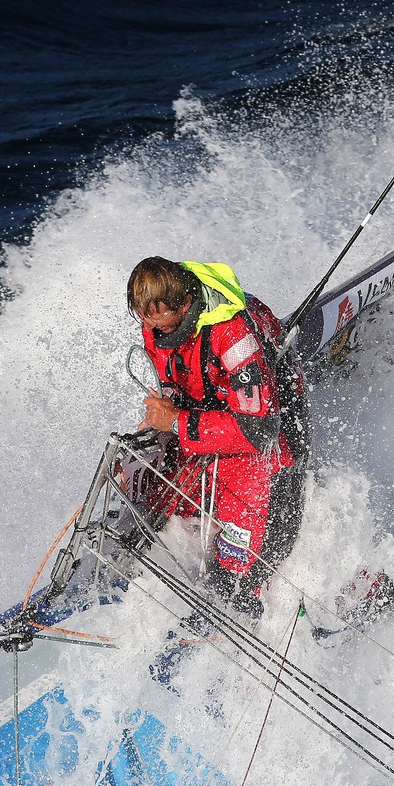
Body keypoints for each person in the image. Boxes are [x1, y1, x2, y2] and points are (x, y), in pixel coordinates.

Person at [127, 257, 308, 617]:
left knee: (237, 573)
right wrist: (166, 410)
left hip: (268, 439)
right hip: (207, 425)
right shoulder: (155, 321)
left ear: (184, 304)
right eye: (145, 319)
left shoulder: (233, 335)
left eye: (161, 320)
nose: (152, 328)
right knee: (151, 503)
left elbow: (258, 429)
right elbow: (178, 377)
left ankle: (258, 605)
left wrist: (177, 422)